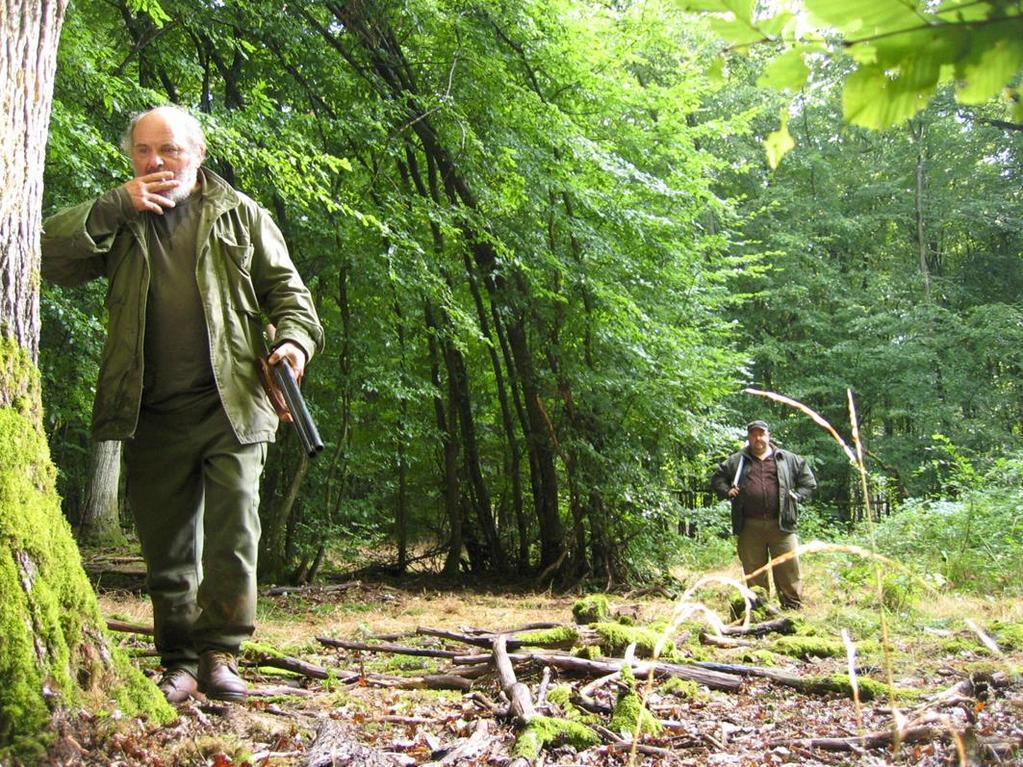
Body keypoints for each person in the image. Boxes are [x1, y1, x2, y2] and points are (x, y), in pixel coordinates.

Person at [41, 105, 324, 703]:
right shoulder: (123, 219)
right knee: (166, 546)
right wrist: (114, 204)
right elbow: (44, 253)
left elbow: (293, 301)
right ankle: (179, 661)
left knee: (232, 535)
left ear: (196, 151)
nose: (156, 162)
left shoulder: (241, 216)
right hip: (147, 406)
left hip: (234, 402)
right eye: (144, 151)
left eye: (168, 150)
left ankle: (220, 655)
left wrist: (295, 346)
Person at [711, 420, 816, 609]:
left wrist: (797, 495)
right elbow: (718, 478)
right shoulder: (737, 460)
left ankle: (792, 609)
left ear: (768, 436)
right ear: (749, 437)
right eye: (754, 435)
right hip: (750, 525)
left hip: (782, 524)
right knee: (754, 570)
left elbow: (808, 481)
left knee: (789, 569)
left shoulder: (787, 458)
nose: (758, 438)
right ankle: (761, 610)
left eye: (761, 434)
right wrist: (727, 491)